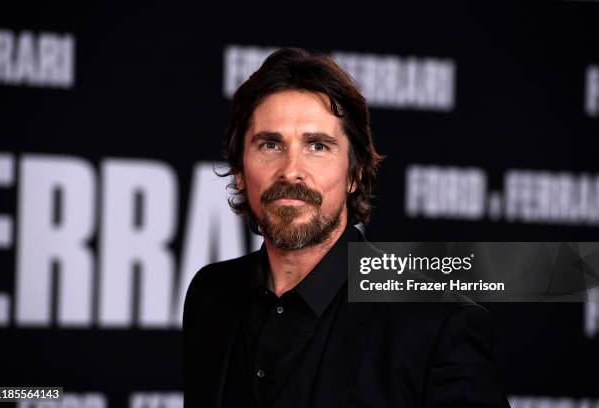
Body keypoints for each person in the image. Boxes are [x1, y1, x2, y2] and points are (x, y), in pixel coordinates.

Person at [183, 48, 509, 407]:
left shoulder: (436, 321)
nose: (291, 170)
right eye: (270, 144)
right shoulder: (211, 295)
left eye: (317, 146)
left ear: (354, 173)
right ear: (241, 171)